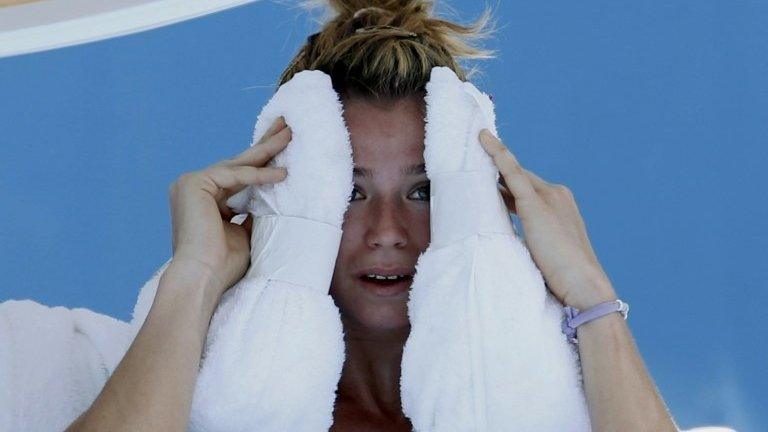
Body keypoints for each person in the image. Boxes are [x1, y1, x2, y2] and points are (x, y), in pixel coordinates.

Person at [64, 1, 684, 431]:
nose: (388, 233)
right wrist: (194, 276)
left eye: (423, 192)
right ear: (285, 200)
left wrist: (593, 297)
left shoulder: (554, 404)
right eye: (349, 193)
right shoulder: (196, 397)